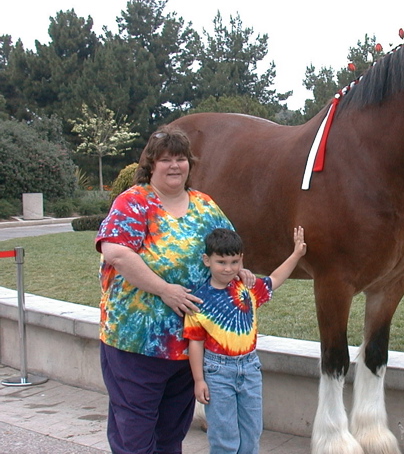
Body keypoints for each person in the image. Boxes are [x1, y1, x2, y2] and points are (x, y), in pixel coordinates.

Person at [95, 125, 254, 454]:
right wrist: (165, 290)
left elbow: (227, 249)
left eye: (180, 158)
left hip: (188, 346)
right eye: (165, 159)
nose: (174, 166)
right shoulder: (134, 202)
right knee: (135, 435)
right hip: (136, 343)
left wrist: (239, 271)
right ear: (151, 165)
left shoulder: (204, 205)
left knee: (171, 433)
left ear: (189, 164)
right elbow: (116, 252)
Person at [184, 226, 307, 454]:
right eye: (221, 262)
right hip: (217, 373)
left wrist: (296, 254)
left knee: (252, 433)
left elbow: (276, 279)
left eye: (234, 262)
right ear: (206, 260)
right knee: (224, 437)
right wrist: (199, 380)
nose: (228, 268)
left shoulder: (247, 288)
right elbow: (195, 342)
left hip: (250, 369)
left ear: (241, 260)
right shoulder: (198, 301)